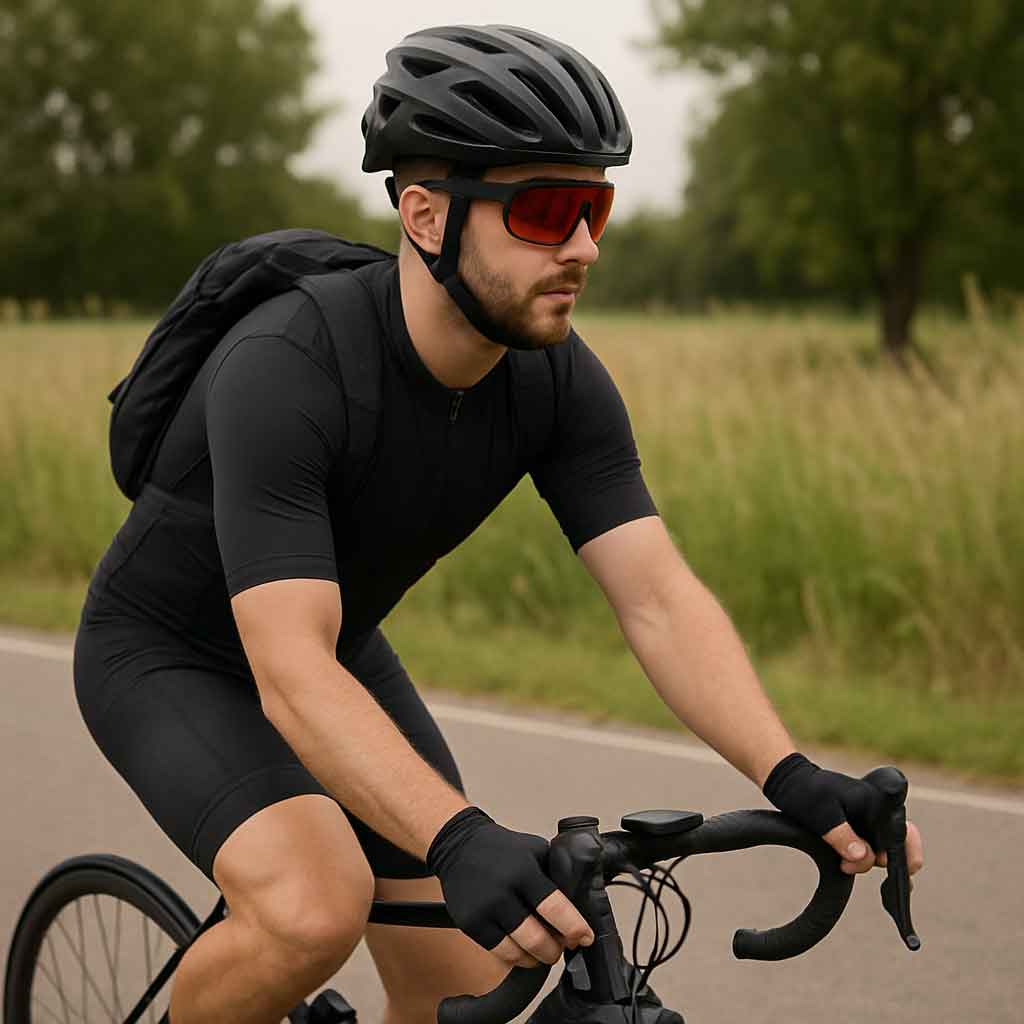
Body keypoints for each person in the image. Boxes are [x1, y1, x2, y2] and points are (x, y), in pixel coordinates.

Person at [72, 23, 924, 1024]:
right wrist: (457, 834)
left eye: (595, 206)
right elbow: (287, 670)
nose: (584, 247)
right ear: (426, 216)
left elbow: (655, 596)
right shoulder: (287, 365)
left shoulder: (555, 379)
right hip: (167, 655)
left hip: (333, 654)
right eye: (546, 211)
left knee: (467, 988)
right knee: (312, 910)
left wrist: (789, 773)